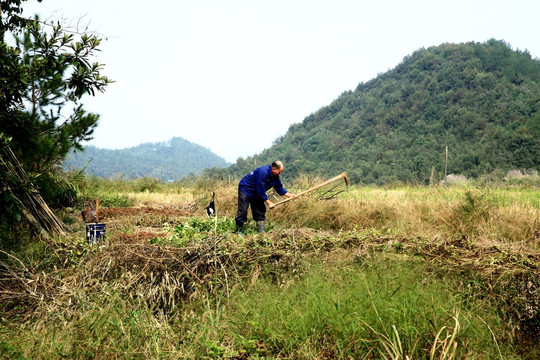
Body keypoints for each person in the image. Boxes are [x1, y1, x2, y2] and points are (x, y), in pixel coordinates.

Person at [235, 161, 296, 234]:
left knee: (260, 209)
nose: (279, 174)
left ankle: (261, 231)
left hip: (257, 191)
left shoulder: (275, 176)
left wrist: (289, 195)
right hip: (246, 189)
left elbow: (279, 187)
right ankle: (238, 231)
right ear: (273, 169)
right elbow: (260, 189)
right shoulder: (263, 172)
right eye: (279, 172)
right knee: (243, 209)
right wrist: (269, 202)